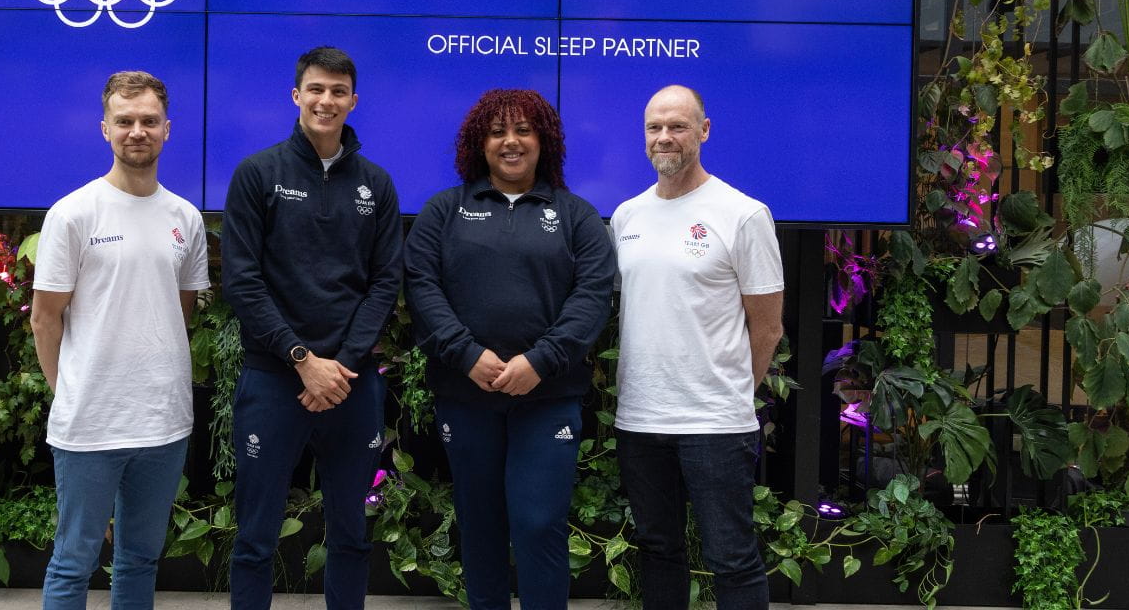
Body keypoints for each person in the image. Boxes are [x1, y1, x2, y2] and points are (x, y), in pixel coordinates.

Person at [404, 89, 615, 610]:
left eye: (523, 130)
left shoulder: (576, 215)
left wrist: (540, 361)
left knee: (538, 522)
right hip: (466, 395)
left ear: (544, 141)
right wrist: (465, 354)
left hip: (548, 398)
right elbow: (421, 286)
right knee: (479, 524)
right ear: (480, 143)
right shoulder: (444, 210)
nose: (511, 142)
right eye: (497, 132)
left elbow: (592, 297)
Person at [222, 46, 404, 610]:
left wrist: (340, 366)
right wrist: (301, 359)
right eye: (317, 89)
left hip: (351, 383)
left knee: (351, 532)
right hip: (274, 378)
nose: (327, 101)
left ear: (353, 101)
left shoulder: (376, 184)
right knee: (255, 535)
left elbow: (385, 282)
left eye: (338, 92)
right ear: (296, 95)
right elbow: (242, 280)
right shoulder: (258, 174)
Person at [30, 71, 210, 610]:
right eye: (125, 121)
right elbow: (44, 319)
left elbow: (179, 311)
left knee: (140, 559)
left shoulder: (186, 217)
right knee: (73, 561)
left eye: (149, 121)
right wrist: (68, 394)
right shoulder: (73, 213)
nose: (137, 131)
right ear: (104, 128)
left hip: (163, 421)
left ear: (167, 129)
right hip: (90, 423)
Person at [611, 84, 785, 610]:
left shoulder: (743, 214)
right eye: (654, 127)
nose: (664, 137)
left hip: (715, 423)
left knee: (732, 558)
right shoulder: (626, 216)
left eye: (678, 126)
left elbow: (768, 328)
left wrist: (732, 394)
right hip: (640, 418)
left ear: (704, 131)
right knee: (658, 550)